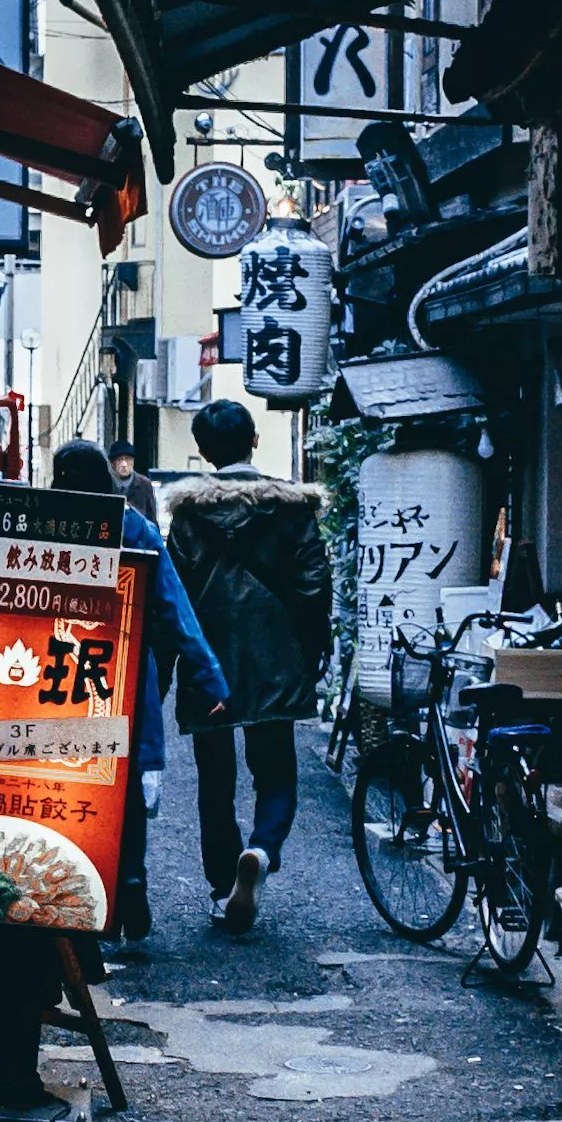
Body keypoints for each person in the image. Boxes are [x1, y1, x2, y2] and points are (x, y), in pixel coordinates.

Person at [159, 397, 333, 935]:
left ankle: (221, 887)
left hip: (209, 662)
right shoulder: (292, 507)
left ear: (204, 452)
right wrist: (311, 650)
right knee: (276, 769)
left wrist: (166, 668)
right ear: (256, 440)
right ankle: (261, 848)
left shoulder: (189, 515)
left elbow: (174, 596)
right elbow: (313, 585)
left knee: (215, 780)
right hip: (275, 655)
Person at [53, 440, 224, 948]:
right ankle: (130, 880)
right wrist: (209, 675)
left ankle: (76, 896)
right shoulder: (134, 528)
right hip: (121, 676)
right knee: (121, 787)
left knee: (67, 789)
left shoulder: (43, 524)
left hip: (57, 678)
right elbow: (175, 609)